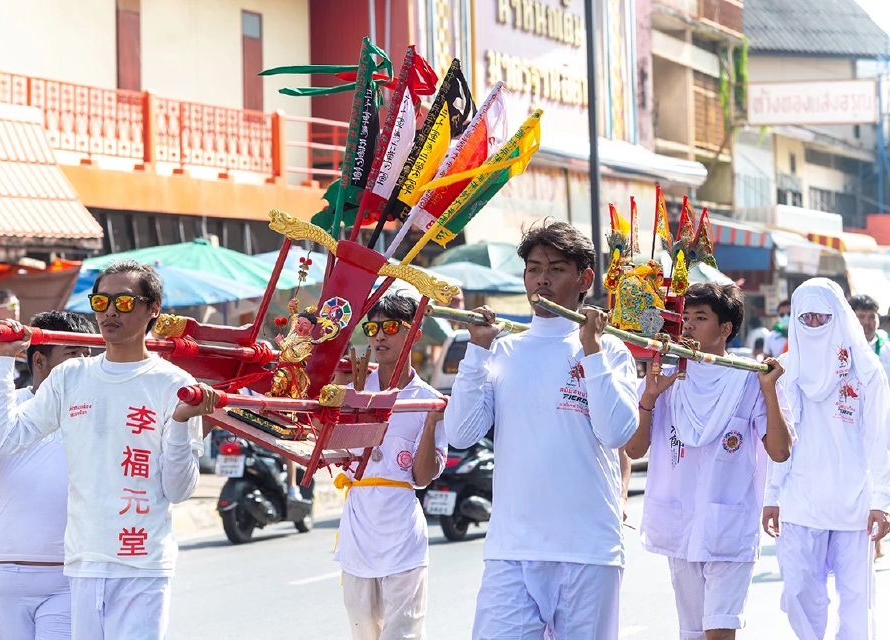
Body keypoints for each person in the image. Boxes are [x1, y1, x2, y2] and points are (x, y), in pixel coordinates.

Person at [0, 260, 222, 640]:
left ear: (153, 309)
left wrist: (180, 423)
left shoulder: (173, 384)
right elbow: (8, 439)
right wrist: (1, 361)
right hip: (84, 563)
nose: (110, 311)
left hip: (142, 564)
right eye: (101, 302)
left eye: (125, 302)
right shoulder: (70, 377)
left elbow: (179, 490)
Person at [444, 220, 638, 640]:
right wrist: (476, 349)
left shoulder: (610, 350)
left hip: (588, 549)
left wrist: (591, 351)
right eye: (533, 269)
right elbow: (459, 433)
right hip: (511, 549)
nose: (542, 280)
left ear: (585, 278)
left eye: (556, 269)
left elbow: (617, 432)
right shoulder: (503, 349)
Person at [625, 283, 793, 640]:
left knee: (719, 631)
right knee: (692, 633)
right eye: (685, 317)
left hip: (728, 529)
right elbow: (634, 450)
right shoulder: (665, 376)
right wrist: (650, 399)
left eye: (700, 318)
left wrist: (768, 390)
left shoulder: (750, 378)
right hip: (681, 524)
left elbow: (780, 451)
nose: (687, 326)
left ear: (726, 329)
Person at [0, 311, 94, 639]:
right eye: (73, 354)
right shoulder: (5, 405)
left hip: (67, 575)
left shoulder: (95, 411)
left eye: (88, 355)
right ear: (40, 361)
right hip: (4, 571)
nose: (84, 364)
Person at [762, 278, 890, 639]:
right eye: (806, 319)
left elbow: (881, 439)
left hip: (855, 505)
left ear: (839, 316)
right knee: (799, 592)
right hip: (800, 501)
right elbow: (778, 440)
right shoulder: (783, 371)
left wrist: (882, 501)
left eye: (823, 317)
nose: (815, 326)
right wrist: (772, 496)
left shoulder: (866, 372)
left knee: (856, 602)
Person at [333, 291, 447, 640]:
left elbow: (423, 477)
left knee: (403, 634)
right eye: (373, 328)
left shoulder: (428, 399)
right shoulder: (352, 390)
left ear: (414, 332)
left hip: (402, 538)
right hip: (357, 533)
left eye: (391, 327)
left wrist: (429, 425)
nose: (380, 335)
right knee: (363, 633)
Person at [849, 293, 890, 561]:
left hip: (884, 423)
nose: (866, 323)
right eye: (860, 317)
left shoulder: (886, 350)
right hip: (852, 425)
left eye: (870, 317)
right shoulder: (843, 348)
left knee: (881, 474)